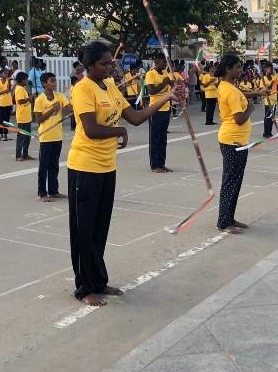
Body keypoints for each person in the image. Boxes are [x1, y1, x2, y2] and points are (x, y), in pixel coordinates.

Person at [68, 42, 178, 306]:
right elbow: (92, 129)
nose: (110, 67)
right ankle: (84, 288)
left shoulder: (111, 87)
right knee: (83, 230)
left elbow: (136, 117)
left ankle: (99, 281)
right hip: (85, 167)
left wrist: (165, 97)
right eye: (104, 64)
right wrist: (119, 132)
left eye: (110, 63)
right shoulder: (82, 88)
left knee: (100, 227)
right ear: (90, 65)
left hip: (108, 166)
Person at [215, 55, 265, 234]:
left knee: (235, 181)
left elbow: (239, 95)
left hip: (237, 141)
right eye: (237, 67)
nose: (241, 70)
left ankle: (229, 217)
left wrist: (256, 93)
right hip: (233, 141)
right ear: (228, 69)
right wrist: (251, 108)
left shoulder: (227, 86)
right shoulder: (230, 90)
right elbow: (239, 119)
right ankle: (223, 222)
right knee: (231, 181)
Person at [34, 72, 71, 201]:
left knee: (54, 165)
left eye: (55, 80)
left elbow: (70, 107)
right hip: (46, 137)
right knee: (44, 166)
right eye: (52, 81)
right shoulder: (40, 99)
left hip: (57, 136)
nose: (55, 83)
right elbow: (39, 120)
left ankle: (53, 191)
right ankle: (42, 193)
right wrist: (52, 110)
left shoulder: (60, 96)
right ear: (44, 84)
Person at [145, 54, 175, 173]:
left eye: (165, 63)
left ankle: (162, 163)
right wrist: (164, 83)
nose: (164, 65)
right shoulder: (150, 74)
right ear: (156, 62)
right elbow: (152, 91)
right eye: (163, 62)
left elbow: (171, 86)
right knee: (155, 138)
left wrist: (174, 84)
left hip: (166, 108)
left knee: (163, 138)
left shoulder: (165, 73)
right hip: (155, 110)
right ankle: (155, 165)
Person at [14, 72, 34, 161]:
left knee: (27, 137)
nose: (27, 81)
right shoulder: (19, 89)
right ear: (22, 80)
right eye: (26, 79)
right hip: (22, 117)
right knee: (21, 137)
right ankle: (18, 155)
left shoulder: (23, 88)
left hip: (27, 117)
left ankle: (25, 154)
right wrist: (30, 98)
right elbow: (20, 101)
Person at [259, 64, 278, 138]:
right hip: (268, 101)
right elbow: (263, 90)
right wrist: (271, 83)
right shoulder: (263, 79)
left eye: (272, 69)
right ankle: (266, 132)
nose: (271, 71)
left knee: (272, 117)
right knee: (267, 117)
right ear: (266, 70)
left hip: (274, 100)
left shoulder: (274, 77)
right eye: (270, 69)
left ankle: (269, 132)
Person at [0, 70, 13, 141]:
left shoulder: (8, 81)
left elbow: (9, 90)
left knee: (7, 120)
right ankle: (1, 135)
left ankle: (5, 135)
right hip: (1, 104)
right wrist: (4, 91)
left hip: (8, 103)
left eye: (7, 73)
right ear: (1, 74)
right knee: (1, 120)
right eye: (5, 73)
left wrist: (9, 81)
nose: (6, 74)